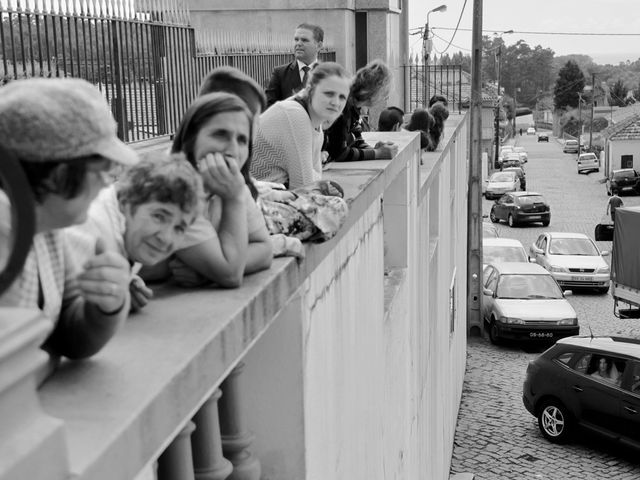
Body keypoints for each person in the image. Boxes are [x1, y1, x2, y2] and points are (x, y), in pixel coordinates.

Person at [0, 78, 138, 382]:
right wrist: (48, 355)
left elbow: (66, 335)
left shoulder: (45, 226)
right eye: (101, 169)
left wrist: (104, 305)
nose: (107, 182)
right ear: (60, 174)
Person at [64, 153, 204, 310]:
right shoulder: (88, 234)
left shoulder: (119, 224)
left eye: (179, 228)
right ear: (126, 203)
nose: (166, 238)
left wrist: (124, 281)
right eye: (159, 216)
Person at [169, 92, 273, 287]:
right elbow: (230, 274)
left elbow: (265, 250)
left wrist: (206, 271)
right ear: (191, 140)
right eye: (220, 134)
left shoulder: (231, 182)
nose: (233, 149)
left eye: (242, 140)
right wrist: (233, 198)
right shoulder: (175, 186)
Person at [251, 61, 351, 189]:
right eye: (329, 94)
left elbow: (315, 178)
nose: (336, 102)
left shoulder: (315, 124)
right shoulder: (295, 114)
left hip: (269, 192)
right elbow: (304, 186)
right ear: (310, 90)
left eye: (342, 97)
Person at [323, 59, 398, 163]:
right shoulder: (343, 103)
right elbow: (339, 153)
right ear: (375, 91)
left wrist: (374, 150)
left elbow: (357, 140)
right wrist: (378, 153)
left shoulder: (354, 104)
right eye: (385, 94)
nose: (385, 99)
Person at [265, 23, 324, 108]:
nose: (298, 44)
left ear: (319, 46)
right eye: (296, 39)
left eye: (304, 40)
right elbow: (268, 108)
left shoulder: (329, 74)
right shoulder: (280, 73)